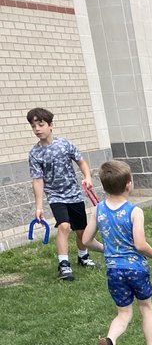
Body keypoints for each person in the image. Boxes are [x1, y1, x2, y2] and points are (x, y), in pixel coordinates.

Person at [80, 159, 152, 345]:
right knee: (145, 307)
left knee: (123, 313)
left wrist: (107, 249)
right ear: (129, 184)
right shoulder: (134, 211)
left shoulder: (98, 210)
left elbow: (86, 240)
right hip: (136, 269)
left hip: (113, 270)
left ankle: (110, 340)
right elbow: (139, 244)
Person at [26, 107, 97, 281]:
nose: (37, 129)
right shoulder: (35, 154)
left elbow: (81, 162)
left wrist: (87, 177)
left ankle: (83, 257)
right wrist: (39, 206)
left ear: (51, 125)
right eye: (33, 126)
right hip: (55, 196)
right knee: (64, 226)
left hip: (74, 193)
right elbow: (37, 180)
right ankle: (64, 265)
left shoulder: (65, 144)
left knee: (81, 231)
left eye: (40, 124)